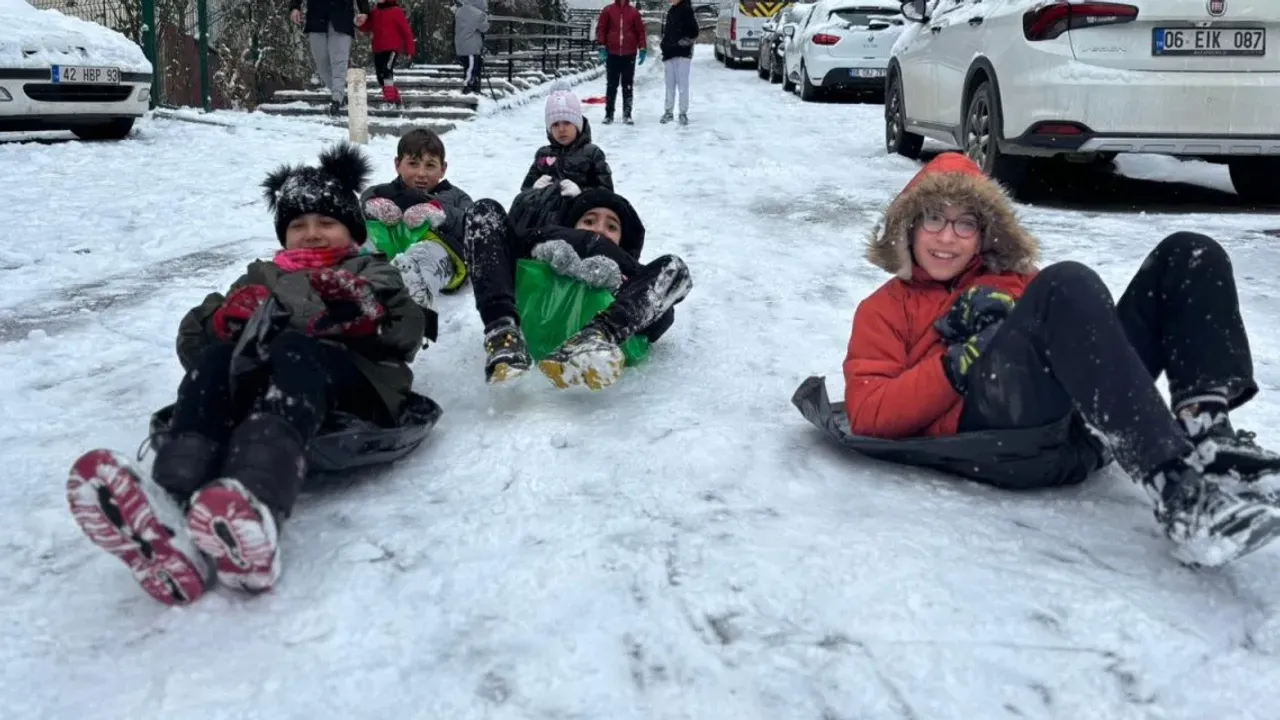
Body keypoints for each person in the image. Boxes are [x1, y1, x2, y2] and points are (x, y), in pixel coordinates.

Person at [841, 151, 1280, 568]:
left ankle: (1209, 434)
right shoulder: (882, 310)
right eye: (934, 218)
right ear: (910, 225)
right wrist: (958, 361)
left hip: (1082, 428)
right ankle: (1178, 490)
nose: (947, 237)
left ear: (984, 234)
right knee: (1067, 281)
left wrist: (1014, 315)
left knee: (1189, 252)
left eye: (965, 223)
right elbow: (868, 411)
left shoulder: (1014, 281)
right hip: (1006, 443)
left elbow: (1078, 332)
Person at [66, 143, 427, 605]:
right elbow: (192, 342)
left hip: (353, 385)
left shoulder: (372, 270)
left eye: (326, 222)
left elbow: (408, 331)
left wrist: (364, 315)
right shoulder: (261, 275)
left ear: (352, 230)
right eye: (298, 225)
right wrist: (221, 324)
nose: (312, 234)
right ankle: (171, 508)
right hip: (267, 387)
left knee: (295, 347)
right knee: (219, 359)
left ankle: (257, 504)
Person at [463, 187, 692, 387]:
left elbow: (661, 315)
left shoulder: (632, 273)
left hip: (609, 323)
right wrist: (539, 248)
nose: (598, 230)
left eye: (612, 227)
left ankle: (595, 338)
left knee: (675, 268)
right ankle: (503, 334)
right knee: (485, 210)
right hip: (524, 312)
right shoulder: (541, 240)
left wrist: (621, 280)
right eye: (589, 221)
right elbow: (497, 256)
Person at [361, 127, 474, 310]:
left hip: (439, 252)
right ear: (398, 164)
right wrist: (373, 206)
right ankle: (358, 278)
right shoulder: (385, 192)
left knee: (428, 253)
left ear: (443, 169)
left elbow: (470, 223)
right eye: (413, 164)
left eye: (430, 165)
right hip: (390, 248)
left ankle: (414, 285)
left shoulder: (455, 196)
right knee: (365, 239)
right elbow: (362, 205)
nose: (421, 173)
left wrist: (439, 212)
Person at [290, 0, 371, 115]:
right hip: (316, 17)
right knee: (322, 64)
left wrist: (364, 12)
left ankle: (337, 99)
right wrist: (295, 7)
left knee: (339, 62)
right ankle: (338, 94)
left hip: (342, 16)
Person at [595, 0, 648, 124]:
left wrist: (642, 48)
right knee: (611, 85)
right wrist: (602, 45)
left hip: (629, 54)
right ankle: (609, 114)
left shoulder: (634, 12)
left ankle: (627, 114)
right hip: (612, 53)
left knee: (627, 85)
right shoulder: (608, 10)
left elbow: (640, 31)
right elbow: (601, 29)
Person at [356, 0, 416, 107]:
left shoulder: (396, 12)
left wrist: (410, 50)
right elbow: (368, 26)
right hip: (378, 49)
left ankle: (390, 100)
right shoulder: (375, 12)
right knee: (380, 76)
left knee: (387, 71)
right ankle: (396, 99)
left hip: (392, 48)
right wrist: (359, 24)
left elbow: (406, 32)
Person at [659, 0, 698, 125]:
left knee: (682, 85)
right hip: (669, 53)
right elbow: (667, 32)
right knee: (669, 85)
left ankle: (682, 113)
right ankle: (668, 112)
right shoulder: (671, 11)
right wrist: (664, 45)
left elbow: (694, 31)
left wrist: (683, 43)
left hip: (682, 54)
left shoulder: (686, 10)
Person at [454, 0, 489, 95]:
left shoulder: (460, 11)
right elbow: (484, 28)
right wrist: (485, 17)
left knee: (468, 67)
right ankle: (468, 86)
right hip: (472, 46)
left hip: (461, 44)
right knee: (472, 68)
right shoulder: (478, 14)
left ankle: (473, 86)